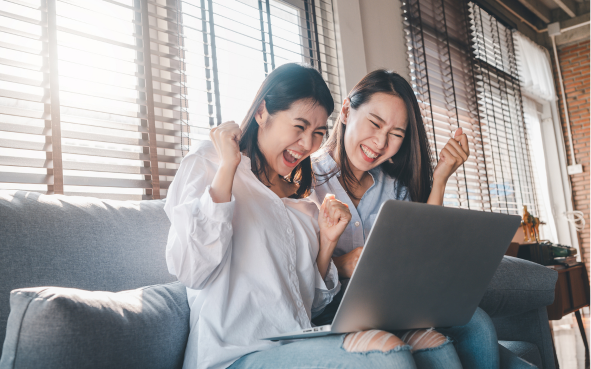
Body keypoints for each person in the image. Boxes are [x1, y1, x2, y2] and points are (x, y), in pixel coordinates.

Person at [164, 63, 457, 369]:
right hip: (233, 354)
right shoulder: (210, 163)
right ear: (262, 112)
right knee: (390, 354)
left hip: (297, 343)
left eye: (318, 132)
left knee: (436, 347)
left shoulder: (301, 200)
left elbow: (311, 304)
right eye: (299, 126)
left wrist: (328, 241)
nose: (308, 144)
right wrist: (227, 168)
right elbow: (191, 271)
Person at [311, 69, 500, 368]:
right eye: (375, 123)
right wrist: (341, 265)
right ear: (346, 110)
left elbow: (423, 251)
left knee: (478, 323)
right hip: (332, 309)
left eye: (396, 134)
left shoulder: (393, 186)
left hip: (391, 304)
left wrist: (439, 180)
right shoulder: (306, 180)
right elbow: (290, 272)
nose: (380, 142)